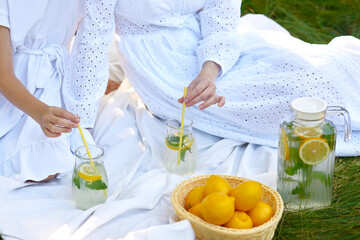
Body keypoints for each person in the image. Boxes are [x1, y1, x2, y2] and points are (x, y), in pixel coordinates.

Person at [65, 0, 360, 156]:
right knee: (297, 95)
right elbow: (91, 42)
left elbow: (221, 14)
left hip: (212, 46)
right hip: (160, 66)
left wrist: (210, 69)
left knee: (321, 67)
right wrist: (82, 123)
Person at [0, 0, 84, 182]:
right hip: (17, 94)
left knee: (59, 160)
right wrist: (40, 112)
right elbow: (2, 72)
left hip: (59, 79)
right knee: (43, 163)